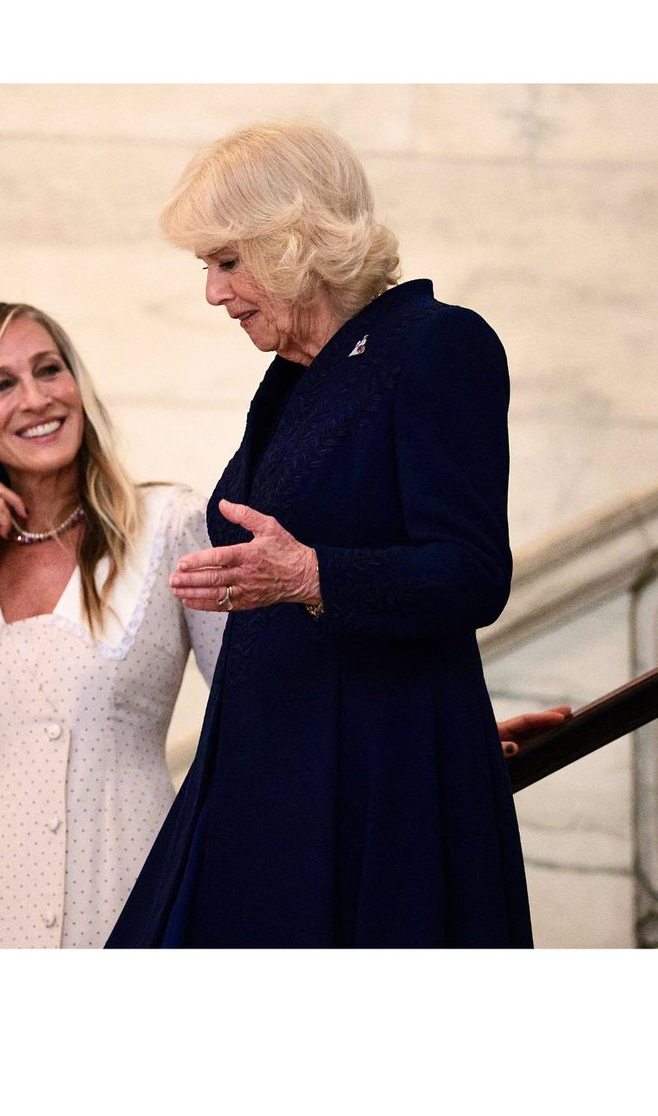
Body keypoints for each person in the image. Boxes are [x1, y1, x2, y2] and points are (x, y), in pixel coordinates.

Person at [107, 121, 546, 949]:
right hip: (265, 774)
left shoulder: (437, 343)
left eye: (227, 261)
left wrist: (311, 576)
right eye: (207, 267)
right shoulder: (296, 375)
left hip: (373, 786)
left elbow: (472, 572)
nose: (213, 293)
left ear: (295, 240)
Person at [0, 302, 224, 948]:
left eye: (49, 370)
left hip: (130, 901)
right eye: (1, 385)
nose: (36, 399)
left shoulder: (169, 525)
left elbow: (251, 711)